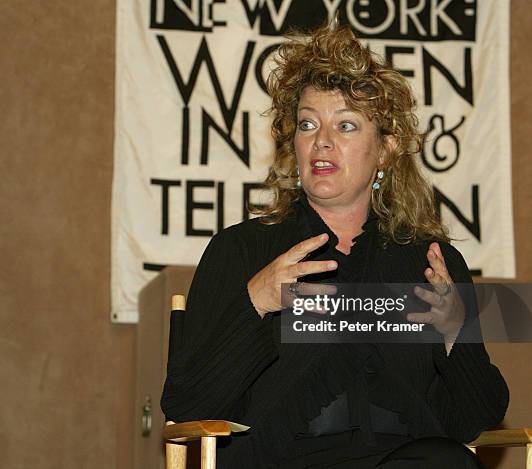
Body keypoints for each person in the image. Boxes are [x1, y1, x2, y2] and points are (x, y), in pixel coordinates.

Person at [161, 24, 508, 468]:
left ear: (385, 149)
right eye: (308, 124)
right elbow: (187, 404)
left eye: (345, 125)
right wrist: (257, 301)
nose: (322, 140)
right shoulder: (242, 251)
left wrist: (456, 332)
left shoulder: (430, 262)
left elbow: (477, 418)